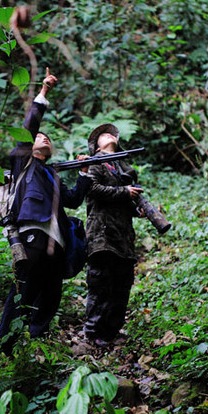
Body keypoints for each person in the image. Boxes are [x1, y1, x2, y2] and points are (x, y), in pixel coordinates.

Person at [0, 68, 91, 356]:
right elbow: (30, 127)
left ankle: (38, 347)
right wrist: (44, 92)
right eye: (40, 138)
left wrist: (83, 173)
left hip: (57, 244)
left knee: (50, 296)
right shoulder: (24, 163)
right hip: (32, 235)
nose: (44, 139)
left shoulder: (53, 176)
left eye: (48, 139)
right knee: (23, 290)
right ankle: (5, 348)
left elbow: (72, 201)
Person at [83, 123, 143, 346]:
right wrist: (123, 192)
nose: (108, 135)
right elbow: (92, 189)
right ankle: (92, 333)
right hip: (101, 235)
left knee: (122, 283)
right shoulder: (95, 164)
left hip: (123, 235)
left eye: (111, 134)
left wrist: (138, 209)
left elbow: (127, 203)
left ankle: (111, 332)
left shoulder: (124, 169)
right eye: (102, 135)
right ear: (96, 147)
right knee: (101, 283)